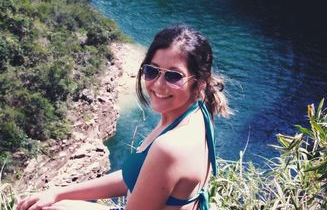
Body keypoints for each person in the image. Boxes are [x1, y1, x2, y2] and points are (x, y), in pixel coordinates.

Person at [16, 25, 231, 210]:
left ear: (200, 81)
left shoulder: (170, 147)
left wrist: (58, 200)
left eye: (174, 76)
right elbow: (141, 178)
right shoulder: (197, 110)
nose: (157, 85)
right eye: (152, 70)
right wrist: (59, 193)